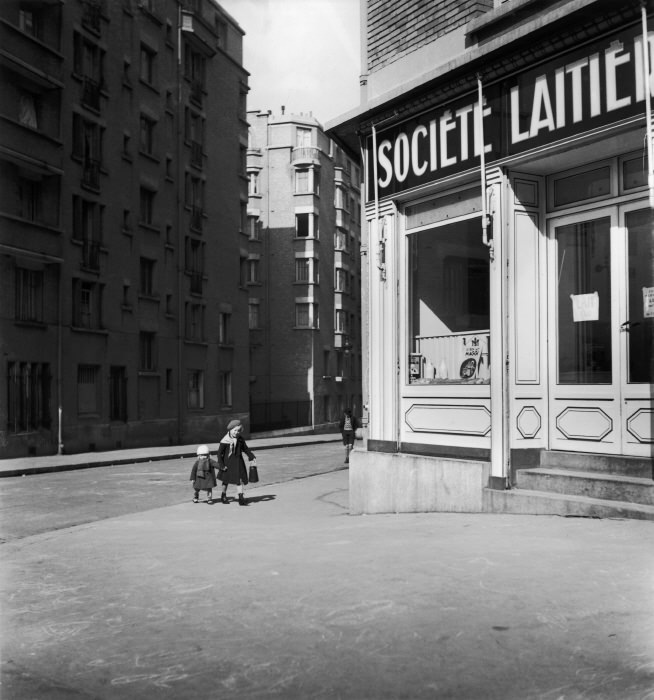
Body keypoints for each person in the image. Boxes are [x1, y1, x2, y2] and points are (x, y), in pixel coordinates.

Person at [217, 419, 256, 505]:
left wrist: (251, 456)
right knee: (225, 480)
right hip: (227, 463)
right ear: (230, 430)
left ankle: (241, 498)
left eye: (238, 431)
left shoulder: (240, 439)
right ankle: (223, 495)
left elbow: (245, 449)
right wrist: (221, 464)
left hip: (238, 462)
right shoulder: (225, 440)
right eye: (235, 430)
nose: (236, 432)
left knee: (240, 480)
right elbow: (219, 454)